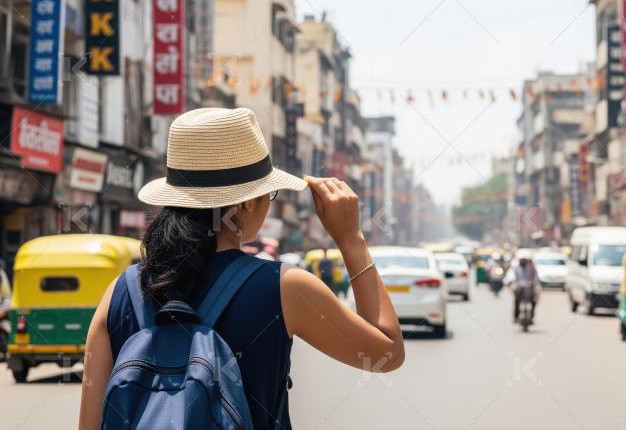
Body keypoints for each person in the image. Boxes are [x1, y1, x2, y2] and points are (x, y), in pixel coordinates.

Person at [78, 108, 404, 429]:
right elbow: (387, 352)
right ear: (246, 202)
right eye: (270, 193)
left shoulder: (120, 292)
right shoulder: (284, 288)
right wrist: (351, 239)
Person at [506, 254, 541, 323]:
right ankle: (516, 316)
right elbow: (511, 277)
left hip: (530, 289)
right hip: (519, 289)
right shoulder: (516, 268)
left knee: (534, 300)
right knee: (517, 301)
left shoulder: (532, 268)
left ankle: (531, 316)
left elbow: (536, 279)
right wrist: (512, 284)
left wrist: (532, 284)